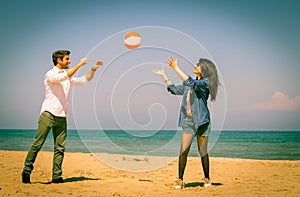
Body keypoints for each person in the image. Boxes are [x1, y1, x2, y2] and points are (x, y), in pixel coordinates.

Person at [21, 50, 103, 184]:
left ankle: (57, 176)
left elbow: (85, 80)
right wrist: (78, 65)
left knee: (60, 148)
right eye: (67, 59)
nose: (69, 61)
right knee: (38, 144)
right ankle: (26, 171)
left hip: (62, 116)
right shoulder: (50, 74)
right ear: (59, 60)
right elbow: (62, 77)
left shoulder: (68, 78)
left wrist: (93, 69)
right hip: (48, 114)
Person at [152, 57, 219, 189]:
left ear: (204, 69)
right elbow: (174, 89)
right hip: (188, 122)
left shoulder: (205, 83)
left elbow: (190, 82)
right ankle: (180, 180)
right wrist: (164, 76)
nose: (195, 66)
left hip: (203, 122)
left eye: (198, 65)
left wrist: (175, 67)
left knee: (203, 151)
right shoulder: (190, 85)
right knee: (183, 150)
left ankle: (206, 178)